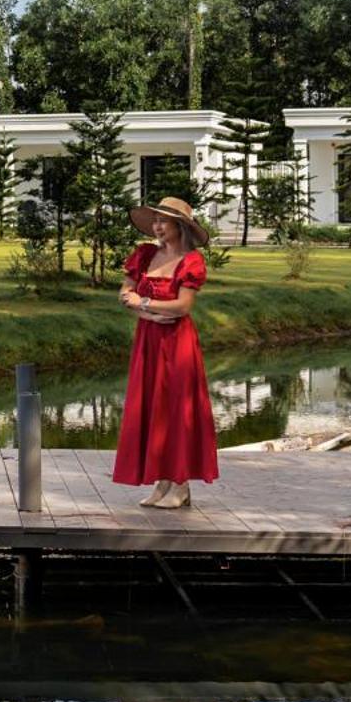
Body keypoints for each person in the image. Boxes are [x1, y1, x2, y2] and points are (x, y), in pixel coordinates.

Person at [112, 196, 218, 508]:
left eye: (164, 221)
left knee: (176, 411)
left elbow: (182, 307)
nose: (157, 227)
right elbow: (125, 292)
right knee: (152, 408)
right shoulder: (145, 255)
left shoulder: (191, 261)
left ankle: (180, 484)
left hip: (177, 344)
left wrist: (143, 304)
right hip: (148, 339)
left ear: (180, 226)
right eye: (155, 220)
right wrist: (148, 311)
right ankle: (162, 482)